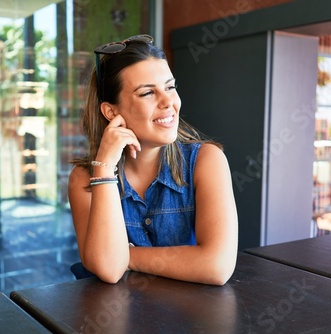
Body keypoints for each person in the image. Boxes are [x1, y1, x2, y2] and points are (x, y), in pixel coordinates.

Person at [68, 35, 238, 285]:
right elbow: (108, 269)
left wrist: (129, 256)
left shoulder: (206, 160)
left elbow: (217, 266)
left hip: (190, 319)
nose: (168, 101)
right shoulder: (85, 178)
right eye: (148, 92)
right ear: (111, 112)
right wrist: (104, 169)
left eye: (170, 87)